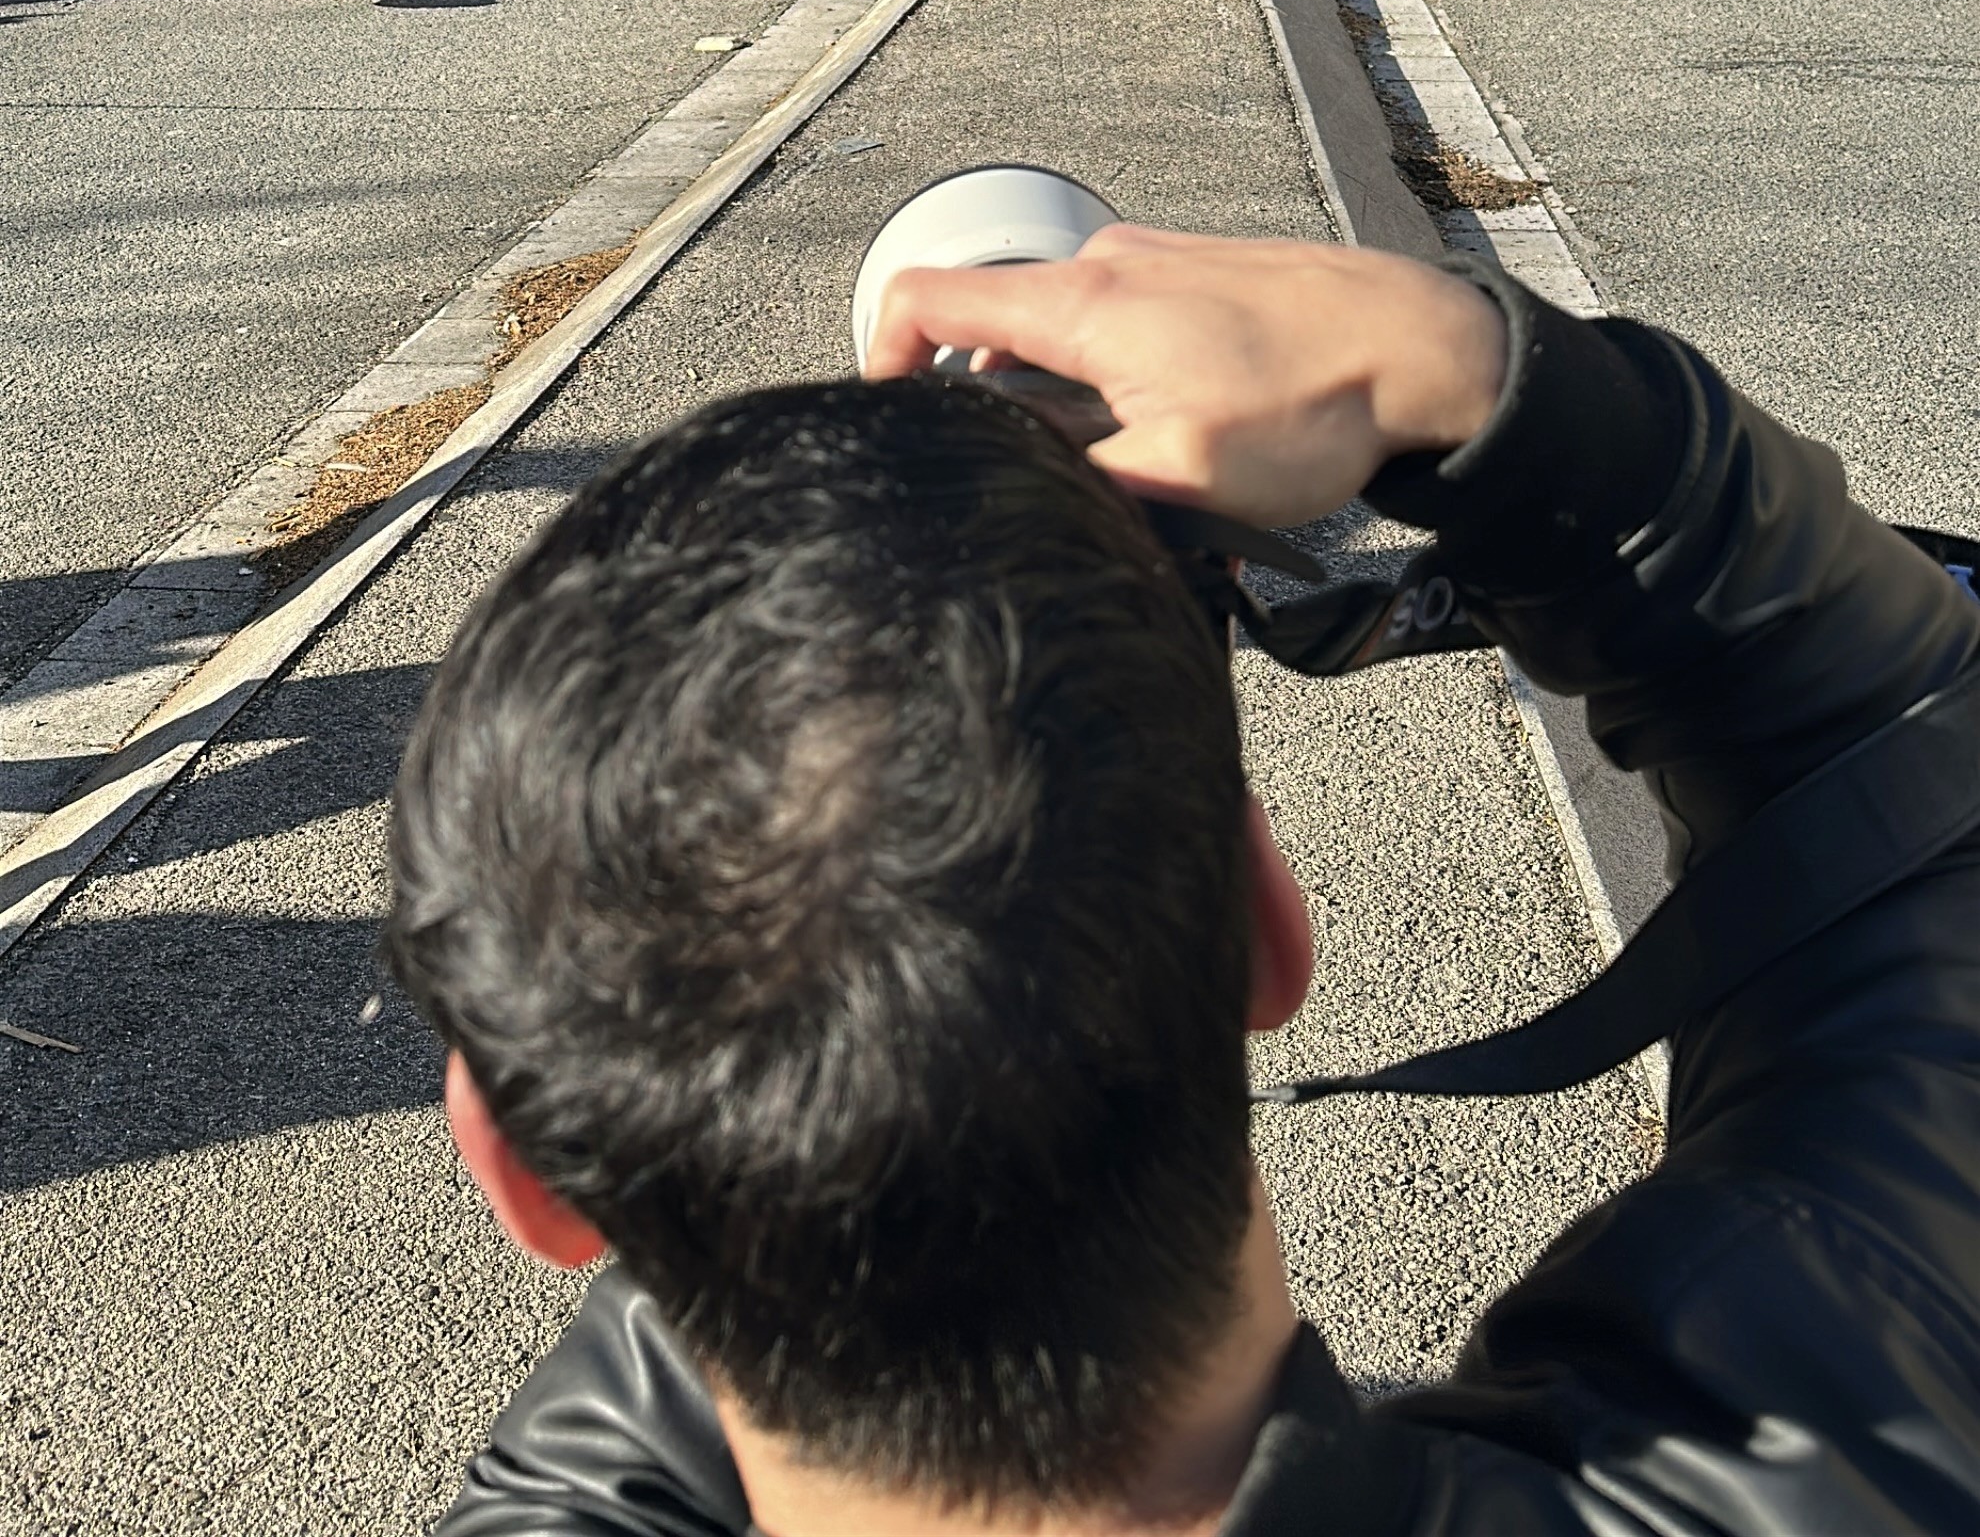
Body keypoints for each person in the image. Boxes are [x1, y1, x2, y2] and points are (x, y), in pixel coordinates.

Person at [390, 222, 1980, 1537]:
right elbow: (1906, 778)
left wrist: (745, 1141)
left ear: (523, 1172)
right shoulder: (1847, 1428)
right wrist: (1498, 386)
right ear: (1269, 933)